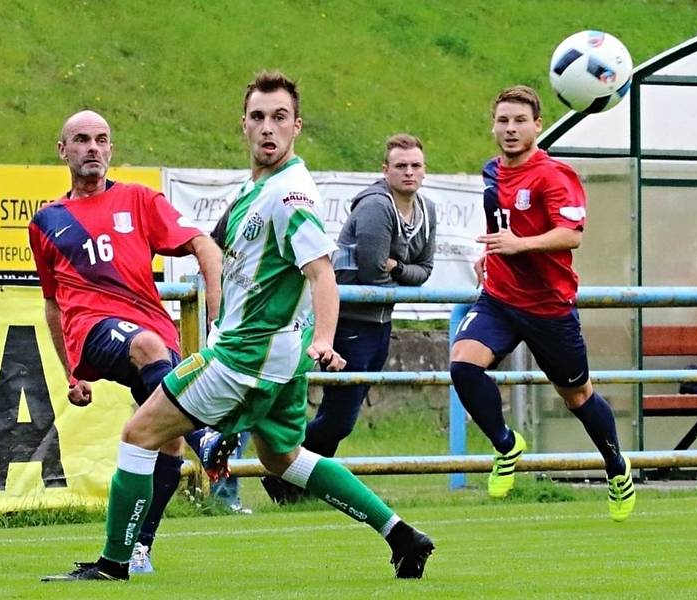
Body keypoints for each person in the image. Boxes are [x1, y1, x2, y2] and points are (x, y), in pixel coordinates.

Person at [41, 70, 434, 583]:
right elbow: (219, 243)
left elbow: (321, 273)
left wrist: (324, 338)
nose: (267, 128)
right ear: (244, 125)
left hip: (244, 356)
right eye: (258, 117)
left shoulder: (290, 195)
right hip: (278, 359)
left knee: (140, 434)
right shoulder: (258, 189)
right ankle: (402, 536)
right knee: (284, 459)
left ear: (296, 127)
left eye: (279, 118)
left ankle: (117, 562)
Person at [28, 110, 232, 575]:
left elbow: (203, 243)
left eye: (102, 140)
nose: (93, 148)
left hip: (153, 331)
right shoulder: (47, 222)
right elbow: (53, 304)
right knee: (146, 347)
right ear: (64, 150)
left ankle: (135, 551)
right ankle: (206, 435)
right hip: (96, 331)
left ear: (112, 150)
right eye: (81, 140)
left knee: (164, 441)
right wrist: (70, 372)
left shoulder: (140, 200)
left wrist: (216, 302)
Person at [448, 85, 636, 522]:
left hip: (549, 306)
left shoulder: (554, 175)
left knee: (577, 396)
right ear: (493, 125)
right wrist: (491, 254)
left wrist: (520, 245)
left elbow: (571, 234)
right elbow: (504, 225)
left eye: (519, 121)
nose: (510, 129)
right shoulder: (491, 172)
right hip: (499, 298)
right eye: (503, 121)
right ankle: (506, 444)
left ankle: (616, 467)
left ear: (537, 125)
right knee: (463, 365)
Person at [261, 133, 436, 504]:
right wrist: (404, 271)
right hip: (352, 319)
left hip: (381, 322)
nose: (408, 172)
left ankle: (299, 485)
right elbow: (374, 272)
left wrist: (399, 267)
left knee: (342, 418)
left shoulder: (427, 210)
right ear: (384, 169)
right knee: (339, 417)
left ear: (424, 170)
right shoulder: (375, 206)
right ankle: (281, 471)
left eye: (415, 166)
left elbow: (427, 269)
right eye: (400, 165)